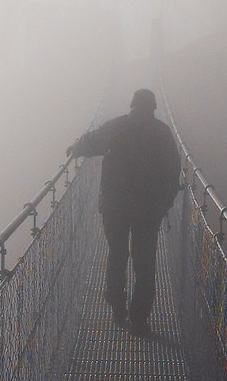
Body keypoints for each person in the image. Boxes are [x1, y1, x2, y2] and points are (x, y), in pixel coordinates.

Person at [68, 88, 182, 335]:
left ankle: (117, 306)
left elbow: (94, 141)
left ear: (132, 105)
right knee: (144, 264)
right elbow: (174, 171)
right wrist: (165, 202)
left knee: (117, 255)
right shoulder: (162, 133)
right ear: (153, 107)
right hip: (149, 211)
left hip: (115, 207)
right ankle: (139, 320)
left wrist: (77, 146)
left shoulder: (118, 126)